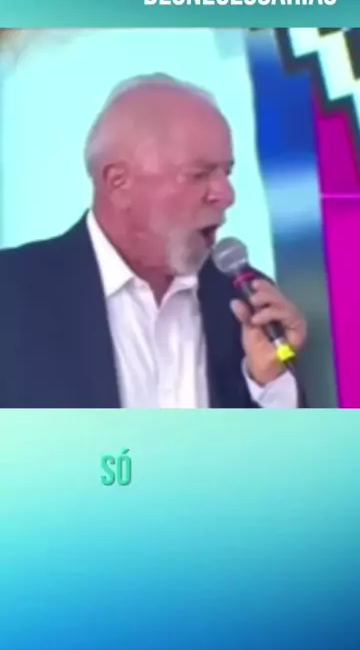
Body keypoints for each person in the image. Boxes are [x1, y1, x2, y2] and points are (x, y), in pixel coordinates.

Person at [0, 73, 307, 408]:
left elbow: (287, 441)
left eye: (227, 173)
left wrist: (271, 380)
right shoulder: (14, 291)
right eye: (199, 174)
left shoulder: (247, 301)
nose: (226, 195)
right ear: (118, 183)